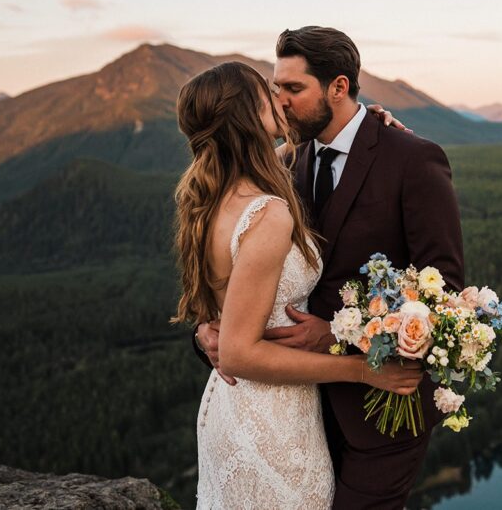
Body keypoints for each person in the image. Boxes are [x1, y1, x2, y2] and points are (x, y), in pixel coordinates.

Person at [196, 26, 466, 509]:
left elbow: (442, 288)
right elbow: (226, 254)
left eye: (293, 89)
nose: (281, 102)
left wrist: (341, 337)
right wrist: (204, 328)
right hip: (297, 412)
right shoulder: (279, 164)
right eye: (276, 89)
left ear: (338, 87)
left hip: (381, 409)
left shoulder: (411, 158)